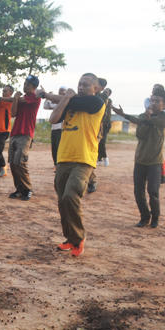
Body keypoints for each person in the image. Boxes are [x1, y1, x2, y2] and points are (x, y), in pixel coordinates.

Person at [48, 73, 105, 257]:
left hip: (84, 159)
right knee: (61, 200)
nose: (81, 88)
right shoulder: (69, 101)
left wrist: (55, 96)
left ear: (95, 88)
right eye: (79, 84)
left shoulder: (97, 103)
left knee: (71, 196)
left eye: (86, 85)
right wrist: (65, 98)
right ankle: (70, 239)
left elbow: (76, 103)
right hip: (64, 157)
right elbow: (53, 119)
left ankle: (79, 238)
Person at [112, 87, 165, 228]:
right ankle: (144, 217)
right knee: (138, 191)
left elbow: (150, 122)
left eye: (157, 101)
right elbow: (139, 135)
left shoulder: (163, 117)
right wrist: (125, 115)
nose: (154, 103)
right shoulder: (143, 117)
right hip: (140, 160)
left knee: (153, 191)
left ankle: (155, 217)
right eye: (152, 100)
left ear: (164, 104)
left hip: (155, 162)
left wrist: (141, 119)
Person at [0, 75, 42, 201]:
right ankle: (19, 189)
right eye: (25, 83)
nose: (25, 86)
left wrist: (2, 98)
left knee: (20, 162)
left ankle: (27, 189)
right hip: (15, 133)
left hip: (25, 133)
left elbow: (19, 100)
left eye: (28, 84)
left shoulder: (35, 98)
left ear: (34, 87)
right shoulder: (20, 98)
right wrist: (15, 99)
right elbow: (14, 114)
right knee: (13, 163)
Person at [44, 86, 67, 169]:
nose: (61, 92)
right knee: (54, 146)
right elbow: (46, 106)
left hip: (62, 127)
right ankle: (56, 164)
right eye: (60, 90)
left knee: (59, 146)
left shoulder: (66, 101)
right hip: (55, 127)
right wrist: (47, 97)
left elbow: (52, 106)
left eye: (63, 91)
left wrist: (49, 97)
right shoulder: (56, 101)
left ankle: (60, 164)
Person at [96, 80, 113, 167]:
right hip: (97, 122)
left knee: (102, 141)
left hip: (105, 123)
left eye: (107, 92)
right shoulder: (94, 95)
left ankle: (105, 157)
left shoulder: (107, 99)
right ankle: (98, 158)